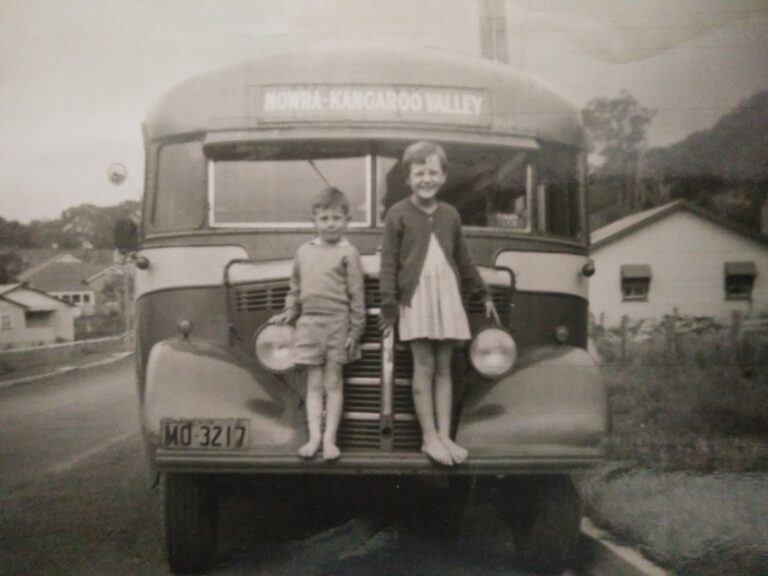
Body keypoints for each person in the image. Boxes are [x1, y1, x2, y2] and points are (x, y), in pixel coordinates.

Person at [379, 141, 499, 466]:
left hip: (446, 296)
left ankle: (445, 435)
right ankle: (429, 437)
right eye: (420, 173)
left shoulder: (450, 215)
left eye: (433, 172)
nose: (426, 179)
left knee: (445, 368)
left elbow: (464, 259)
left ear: (444, 177)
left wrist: (482, 293)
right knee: (424, 367)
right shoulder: (398, 214)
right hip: (416, 297)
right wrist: (389, 304)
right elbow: (388, 263)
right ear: (408, 178)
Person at [270, 187, 365, 461]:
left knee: (334, 383)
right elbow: (295, 288)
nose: (330, 224)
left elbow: (356, 296)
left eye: (336, 218)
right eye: (324, 218)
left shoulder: (350, 253)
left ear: (347, 220)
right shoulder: (304, 252)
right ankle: (313, 438)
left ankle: (330, 440)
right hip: (309, 325)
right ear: (314, 220)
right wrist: (289, 311)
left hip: (338, 325)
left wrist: (355, 331)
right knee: (313, 384)